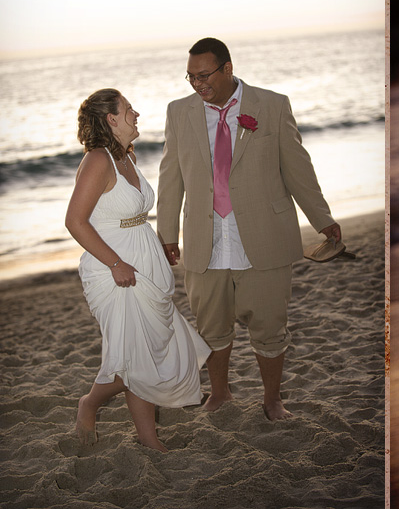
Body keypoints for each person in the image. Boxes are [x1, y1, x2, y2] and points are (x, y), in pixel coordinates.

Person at [157, 38, 341, 421]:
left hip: (264, 234)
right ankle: (220, 394)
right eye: (190, 77)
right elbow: (170, 175)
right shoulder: (179, 112)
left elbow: (297, 168)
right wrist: (168, 233)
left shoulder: (272, 105)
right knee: (210, 326)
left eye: (204, 75)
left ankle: (272, 400)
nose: (197, 84)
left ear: (228, 68)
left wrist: (321, 218)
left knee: (270, 325)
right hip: (204, 239)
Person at [66, 89, 211, 452]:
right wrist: (115, 263)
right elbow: (75, 221)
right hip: (113, 268)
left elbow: (129, 214)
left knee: (148, 350)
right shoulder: (98, 159)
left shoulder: (126, 156)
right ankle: (93, 405)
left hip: (142, 260)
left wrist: (159, 246)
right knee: (135, 355)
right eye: (129, 110)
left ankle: (142, 434)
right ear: (111, 119)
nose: (136, 114)